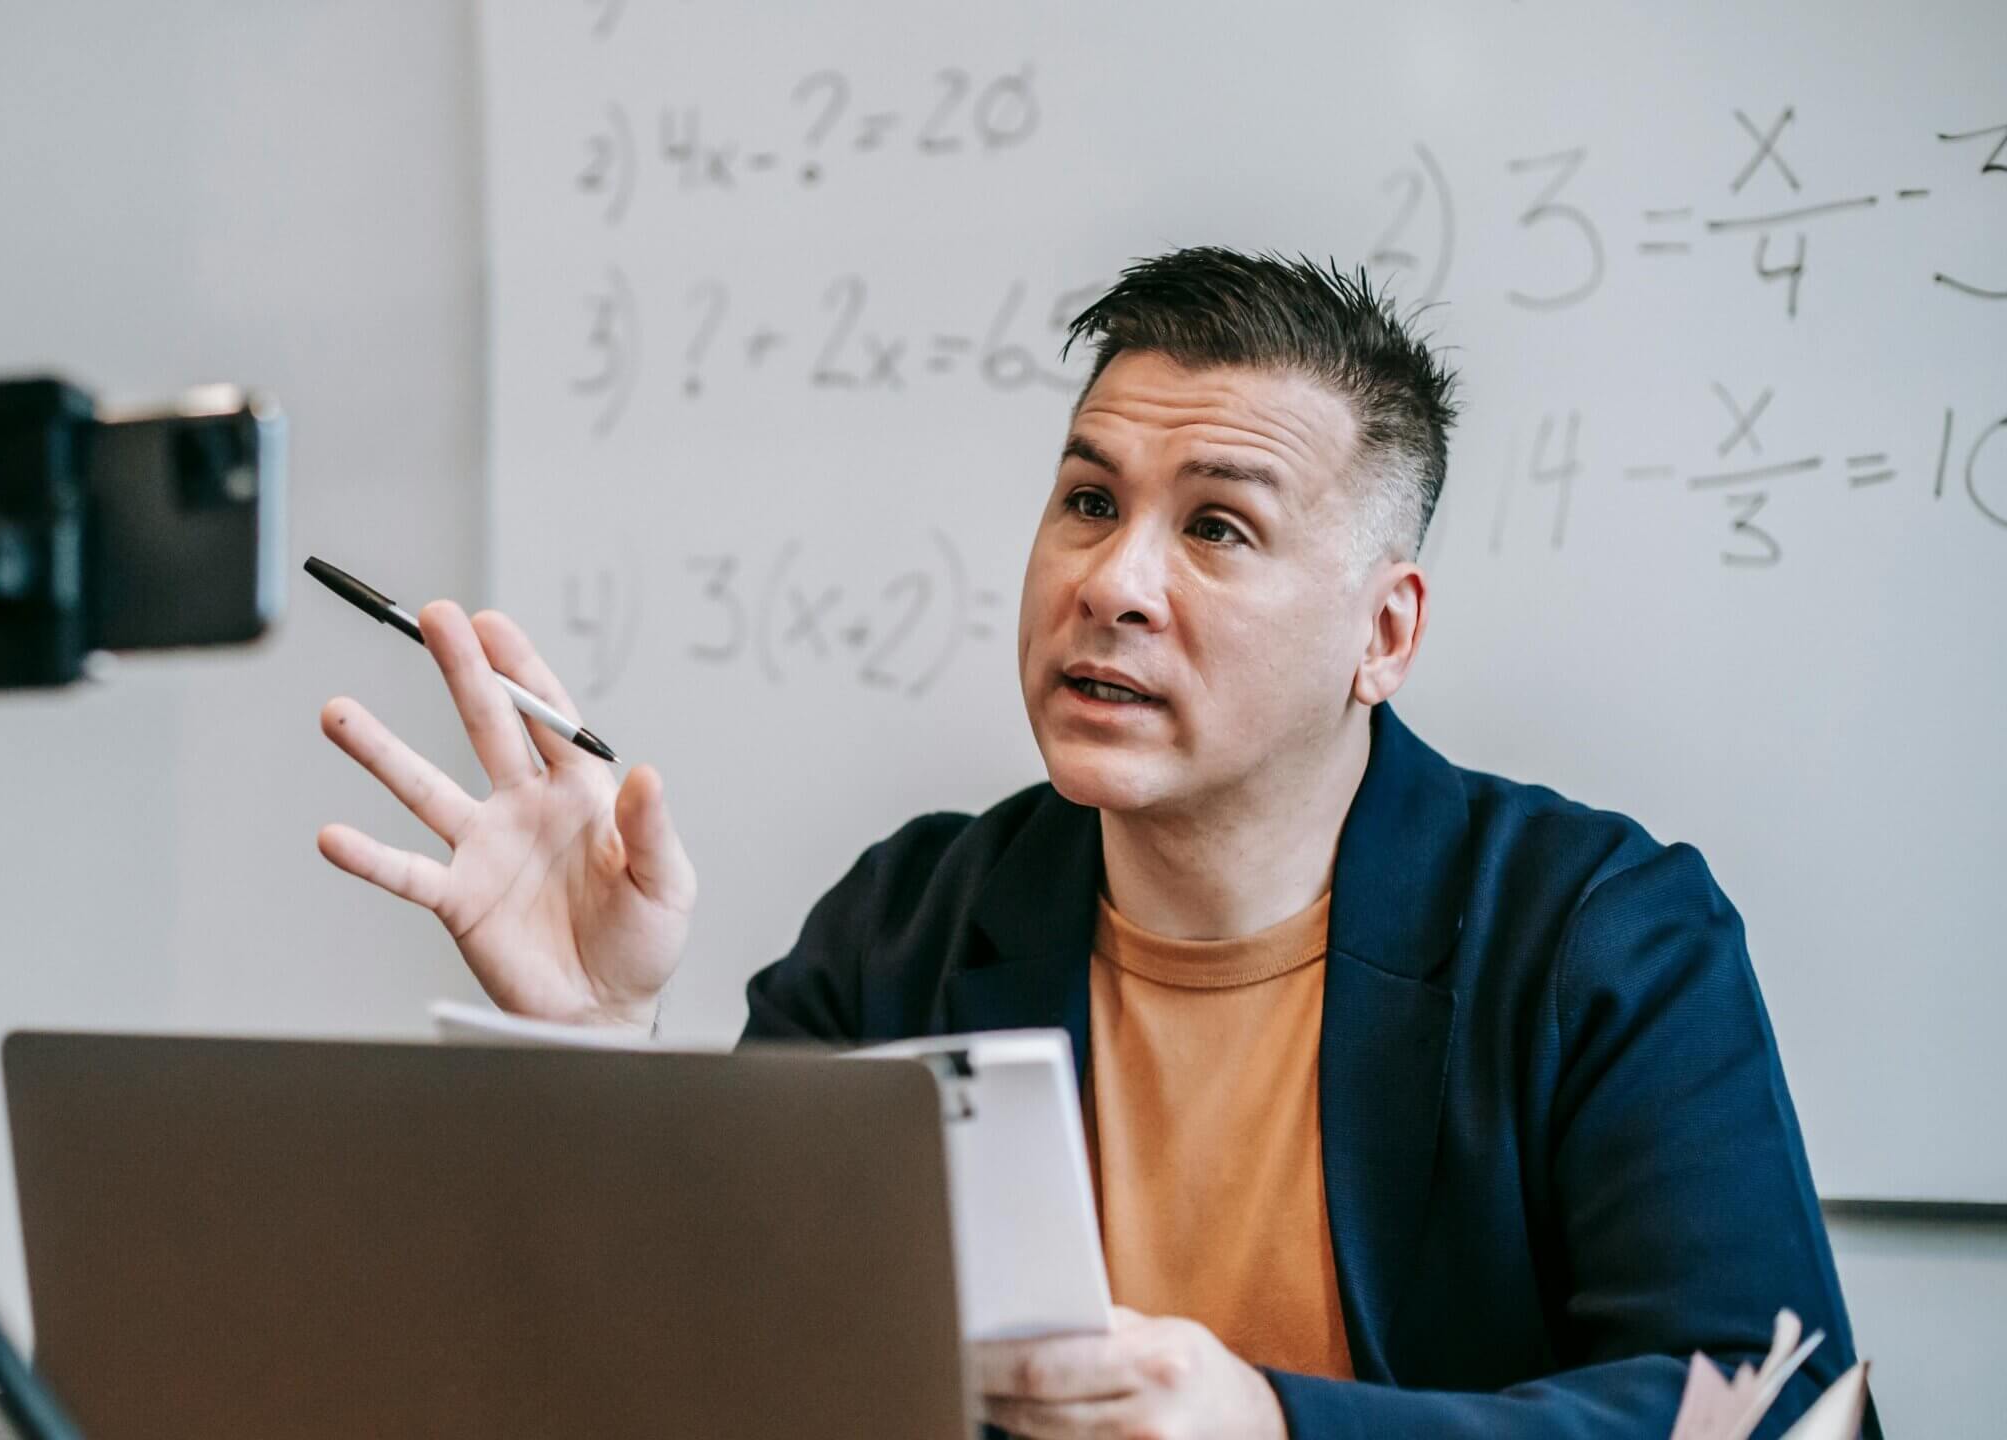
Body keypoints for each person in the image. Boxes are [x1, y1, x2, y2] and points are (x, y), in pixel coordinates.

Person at [314, 248, 1872, 1439]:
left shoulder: (1602, 933)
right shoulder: (913, 921)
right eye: (1085, 499)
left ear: (1383, 631)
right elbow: (725, 1370)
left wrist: (1273, 1424)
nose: (1113, 582)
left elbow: (1781, 1406)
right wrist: (598, 1043)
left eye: (1217, 526)